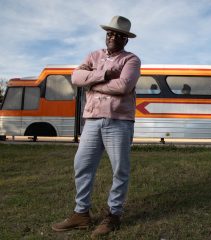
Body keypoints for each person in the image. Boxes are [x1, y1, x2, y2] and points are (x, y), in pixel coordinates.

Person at [52, 16, 141, 238]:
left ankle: (114, 215)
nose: (113, 37)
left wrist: (92, 84)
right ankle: (81, 214)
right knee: (82, 165)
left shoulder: (131, 60)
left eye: (119, 35)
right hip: (92, 121)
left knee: (119, 170)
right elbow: (75, 77)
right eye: (110, 33)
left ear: (126, 40)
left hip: (119, 121)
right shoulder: (94, 56)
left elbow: (123, 86)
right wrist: (102, 75)